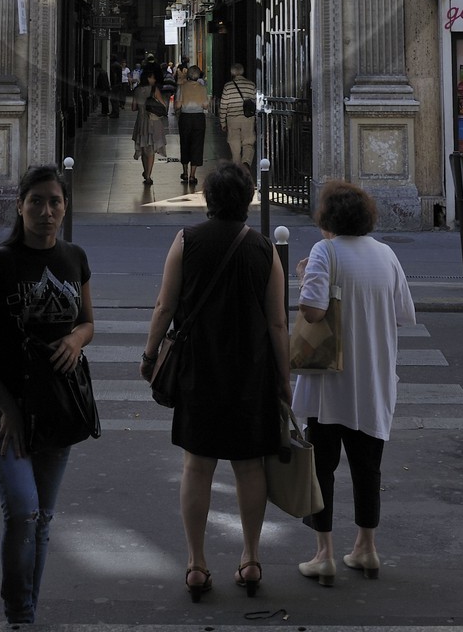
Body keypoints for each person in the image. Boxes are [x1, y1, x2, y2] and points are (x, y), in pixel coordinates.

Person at [139, 162, 291, 603]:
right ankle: (250, 557)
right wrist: (284, 379)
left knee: (197, 466)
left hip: (199, 369)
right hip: (251, 370)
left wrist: (150, 357)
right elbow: (278, 323)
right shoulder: (264, 249)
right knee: (249, 467)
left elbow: (165, 306)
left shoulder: (186, 241)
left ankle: (197, 563)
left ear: (208, 199)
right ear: (248, 200)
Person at [0, 164, 95, 628]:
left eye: (54, 201)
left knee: (42, 517)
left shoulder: (74, 258)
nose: (46, 210)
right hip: (3, 407)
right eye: (36, 201)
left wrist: (77, 339)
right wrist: (7, 409)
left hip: (56, 407)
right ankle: (18, 615)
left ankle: (27, 614)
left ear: (65, 206)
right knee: (22, 510)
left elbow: (88, 322)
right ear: (19, 206)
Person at [291, 181, 415, 583]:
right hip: (374, 380)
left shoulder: (325, 251)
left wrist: (307, 274)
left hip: (330, 384)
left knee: (322, 467)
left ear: (327, 218)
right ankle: (367, 548)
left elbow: (312, 311)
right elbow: (402, 314)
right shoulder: (386, 253)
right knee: (368, 468)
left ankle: (323, 553)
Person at [131, 61, 167, 186]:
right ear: (148, 77)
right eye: (152, 77)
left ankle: (145, 171)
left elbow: (133, 108)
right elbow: (163, 106)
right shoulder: (154, 89)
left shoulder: (137, 90)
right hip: (153, 122)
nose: (154, 79)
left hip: (141, 122)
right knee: (151, 149)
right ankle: (148, 175)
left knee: (143, 147)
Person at [175, 63, 211, 191]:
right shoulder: (202, 88)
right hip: (198, 119)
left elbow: (177, 106)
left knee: (184, 143)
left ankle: (184, 172)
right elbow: (206, 106)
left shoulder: (182, 87)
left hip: (185, 118)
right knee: (197, 144)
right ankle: (192, 175)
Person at [219, 61, 258, 172]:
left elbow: (223, 106)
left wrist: (223, 122)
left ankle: (237, 166)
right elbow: (255, 102)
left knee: (234, 142)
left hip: (232, 119)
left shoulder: (228, 86)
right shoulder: (251, 85)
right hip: (248, 119)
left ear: (232, 73)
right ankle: (246, 162)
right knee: (248, 142)